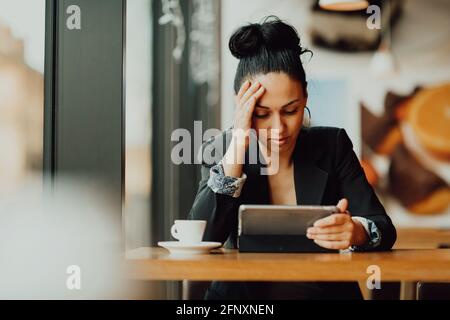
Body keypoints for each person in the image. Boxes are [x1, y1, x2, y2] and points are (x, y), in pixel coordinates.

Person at [188, 16, 396, 300]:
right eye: (261, 114)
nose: (278, 128)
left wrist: (357, 231)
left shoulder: (332, 144)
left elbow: (383, 227)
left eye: (290, 110)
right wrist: (238, 142)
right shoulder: (221, 149)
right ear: (242, 106)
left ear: (306, 97)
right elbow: (202, 238)